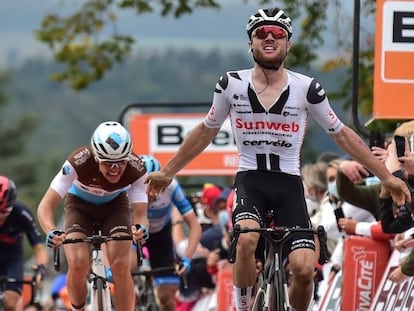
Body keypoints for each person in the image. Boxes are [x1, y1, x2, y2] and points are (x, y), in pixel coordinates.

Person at [144, 7, 411, 311]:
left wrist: (387, 176)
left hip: (288, 185)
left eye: (278, 34)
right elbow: (205, 131)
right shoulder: (231, 85)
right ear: (250, 43)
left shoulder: (306, 88)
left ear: (288, 44)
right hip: (251, 180)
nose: (269, 38)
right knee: (245, 239)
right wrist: (167, 171)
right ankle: (243, 306)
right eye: (261, 33)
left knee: (304, 270)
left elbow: (342, 135)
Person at [36, 121, 149, 311]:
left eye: (121, 162)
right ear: (96, 157)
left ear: (128, 157)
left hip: (115, 207)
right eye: (108, 163)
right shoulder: (78, 161)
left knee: (121, 266)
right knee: (78, 263)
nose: (115, 169)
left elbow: (140, 215)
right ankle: (77, 308)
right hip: (80, 207)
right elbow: (45, 205)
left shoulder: (137, 168)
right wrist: (51, 230)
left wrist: (140, 228)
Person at [133, 154, 202, 311]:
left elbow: (195, 226)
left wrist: (187, 259)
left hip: (160, 235)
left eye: (155, 187)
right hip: (134, 235)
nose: (149, 193)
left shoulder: (172, 187)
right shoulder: (128, 189)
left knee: (167, 298)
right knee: (126, 266)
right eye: (144, 187)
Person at [0, 176, 48, 311]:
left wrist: (41, 268)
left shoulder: (21, 213)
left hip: (13, 259)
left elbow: (39, 248)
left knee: (10, 302)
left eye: (2, 212)